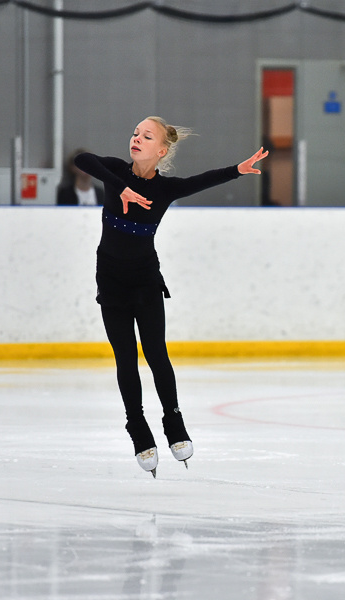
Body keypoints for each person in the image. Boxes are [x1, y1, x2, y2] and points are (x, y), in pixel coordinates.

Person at [75, 116, 268, 477]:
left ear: (161, 150)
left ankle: (174, 422)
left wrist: (238, 170)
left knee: (156, 353)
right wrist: (120, 188)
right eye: (134, 133)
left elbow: (202, 180)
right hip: (112, 280)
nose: (136, 138)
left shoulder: (165, 190)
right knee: (125, 358)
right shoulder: (115, 170)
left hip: (146, 279)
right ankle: (137, 427)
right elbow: (84, 159)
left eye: (146, 136)